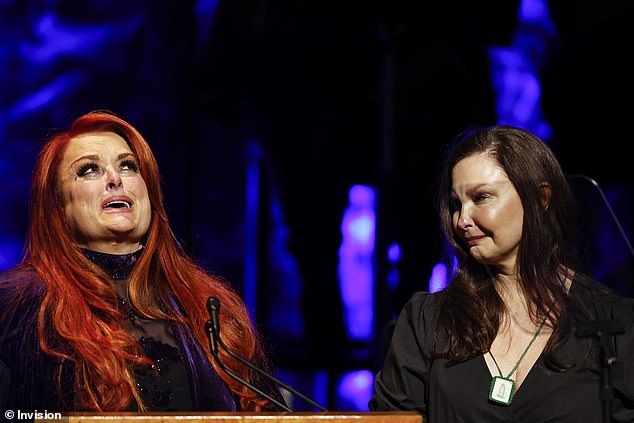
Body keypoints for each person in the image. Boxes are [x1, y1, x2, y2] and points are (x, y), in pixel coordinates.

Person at [0, 110, 283, 413]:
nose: (115, 179)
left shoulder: (209, 306)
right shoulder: (18, 304)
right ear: (57, 206)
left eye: (128, 166)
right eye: (89, 170)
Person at [369, 125, 634, 421]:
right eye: (457, 204)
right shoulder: (427, 321)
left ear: (540, 198)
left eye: (481, 197)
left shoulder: (610, 322)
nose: (462, 220)